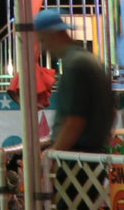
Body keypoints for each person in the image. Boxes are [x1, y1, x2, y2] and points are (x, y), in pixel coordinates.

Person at [35, 9, 114, 153]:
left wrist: (54, 156)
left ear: (52, 35)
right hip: (96, 155)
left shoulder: (74, 65)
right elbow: (112, 110)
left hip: (76, 158)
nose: (43, 47)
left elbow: (74, 122)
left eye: (42, 40)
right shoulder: (92, 61)